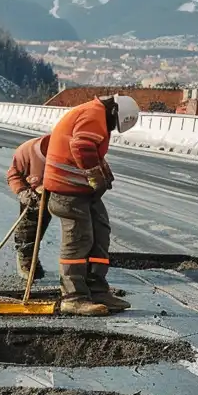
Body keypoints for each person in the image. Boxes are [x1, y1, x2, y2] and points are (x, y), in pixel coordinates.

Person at [44, 92, 138, 313]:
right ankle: (73, 297)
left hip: (82, 191)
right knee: (79, 239)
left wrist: (103, 170)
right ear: (114, 111)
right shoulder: (94, 114)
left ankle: (97, 290)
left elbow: (92, 149)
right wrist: (95, 175)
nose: (112, 129)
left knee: (100, 233)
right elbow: (82, 146)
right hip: (67, 190)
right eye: (114, 124)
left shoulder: (96, 114)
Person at [5, 130, 51, 284]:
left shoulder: (70, 151)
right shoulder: (27, 150)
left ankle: (79, 270)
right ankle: (27, 259)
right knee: (31, 222)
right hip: (35, 192)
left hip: (65, 191)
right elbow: (13, 175)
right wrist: (22, 191)